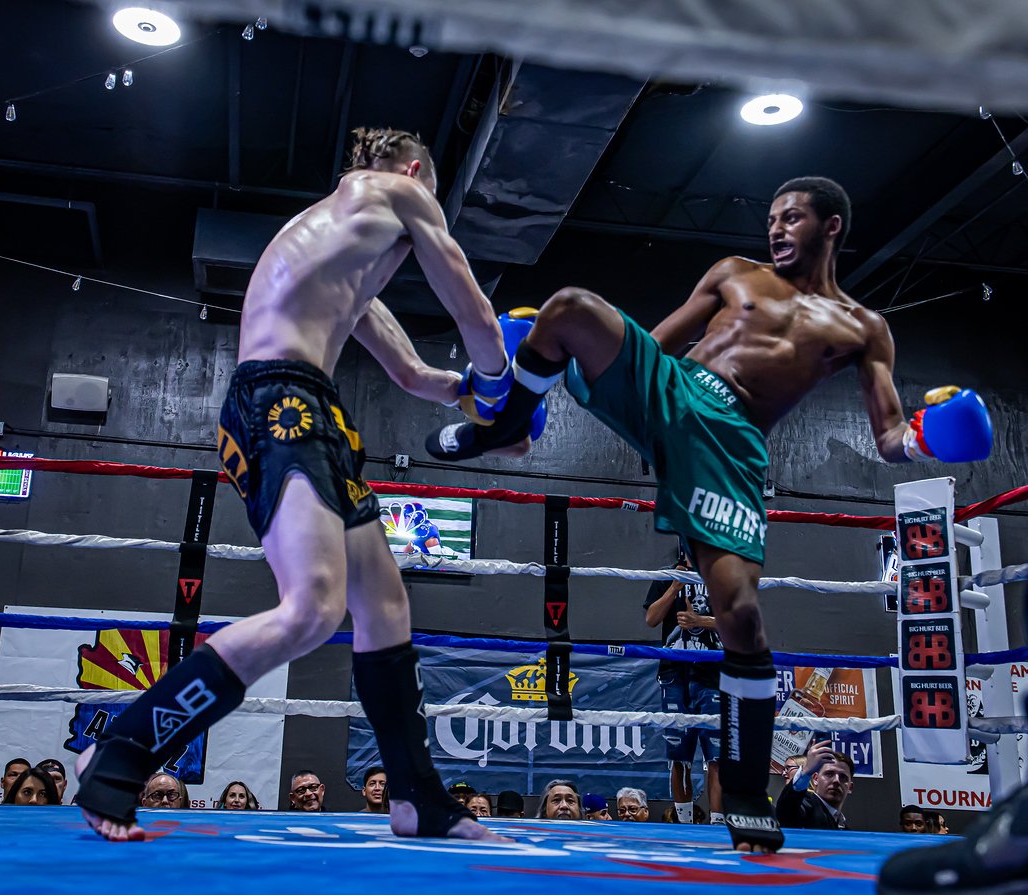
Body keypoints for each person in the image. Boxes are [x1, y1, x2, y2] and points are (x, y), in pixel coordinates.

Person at [425, 177, 992, 853]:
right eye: (772, 217)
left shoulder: (862, 327)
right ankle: (506, 425)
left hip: (731, 442)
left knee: (740, 614)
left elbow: (889, 436)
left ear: (831, 226)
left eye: (792, 218)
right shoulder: (732, 273)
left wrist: (931, 437)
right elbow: (652, 343)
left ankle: (746, 791)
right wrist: (604, 369)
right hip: (672, 388)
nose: (776, 228)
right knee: (569, 308)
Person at [74, 127, 515, 843]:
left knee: (385, 605)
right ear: (413, 172)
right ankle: (120, 751)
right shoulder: (395, 191)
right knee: (312, 608)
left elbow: (415, 376)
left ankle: (416, 798)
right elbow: (469, 305)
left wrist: (476, 397)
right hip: (281, 403)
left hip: (312, 408)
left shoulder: (335, 260)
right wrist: (505, 385)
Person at [644, 546, 723, 826]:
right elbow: (651, 618)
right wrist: (674, 588)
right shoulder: (668, 575)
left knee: (716, 754)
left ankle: (718, 822)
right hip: (675, 673)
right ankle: (684, 822)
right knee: (679, 754)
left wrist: (700, 621)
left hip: (712, 674)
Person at [775, 741, 854, 830]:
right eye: (829, 774)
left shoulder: (846, 830)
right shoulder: (805, 806)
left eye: (843, 777)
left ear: (850, 787)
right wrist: (806, 771)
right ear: (815, 779)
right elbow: (786, 811)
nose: (836, 780)